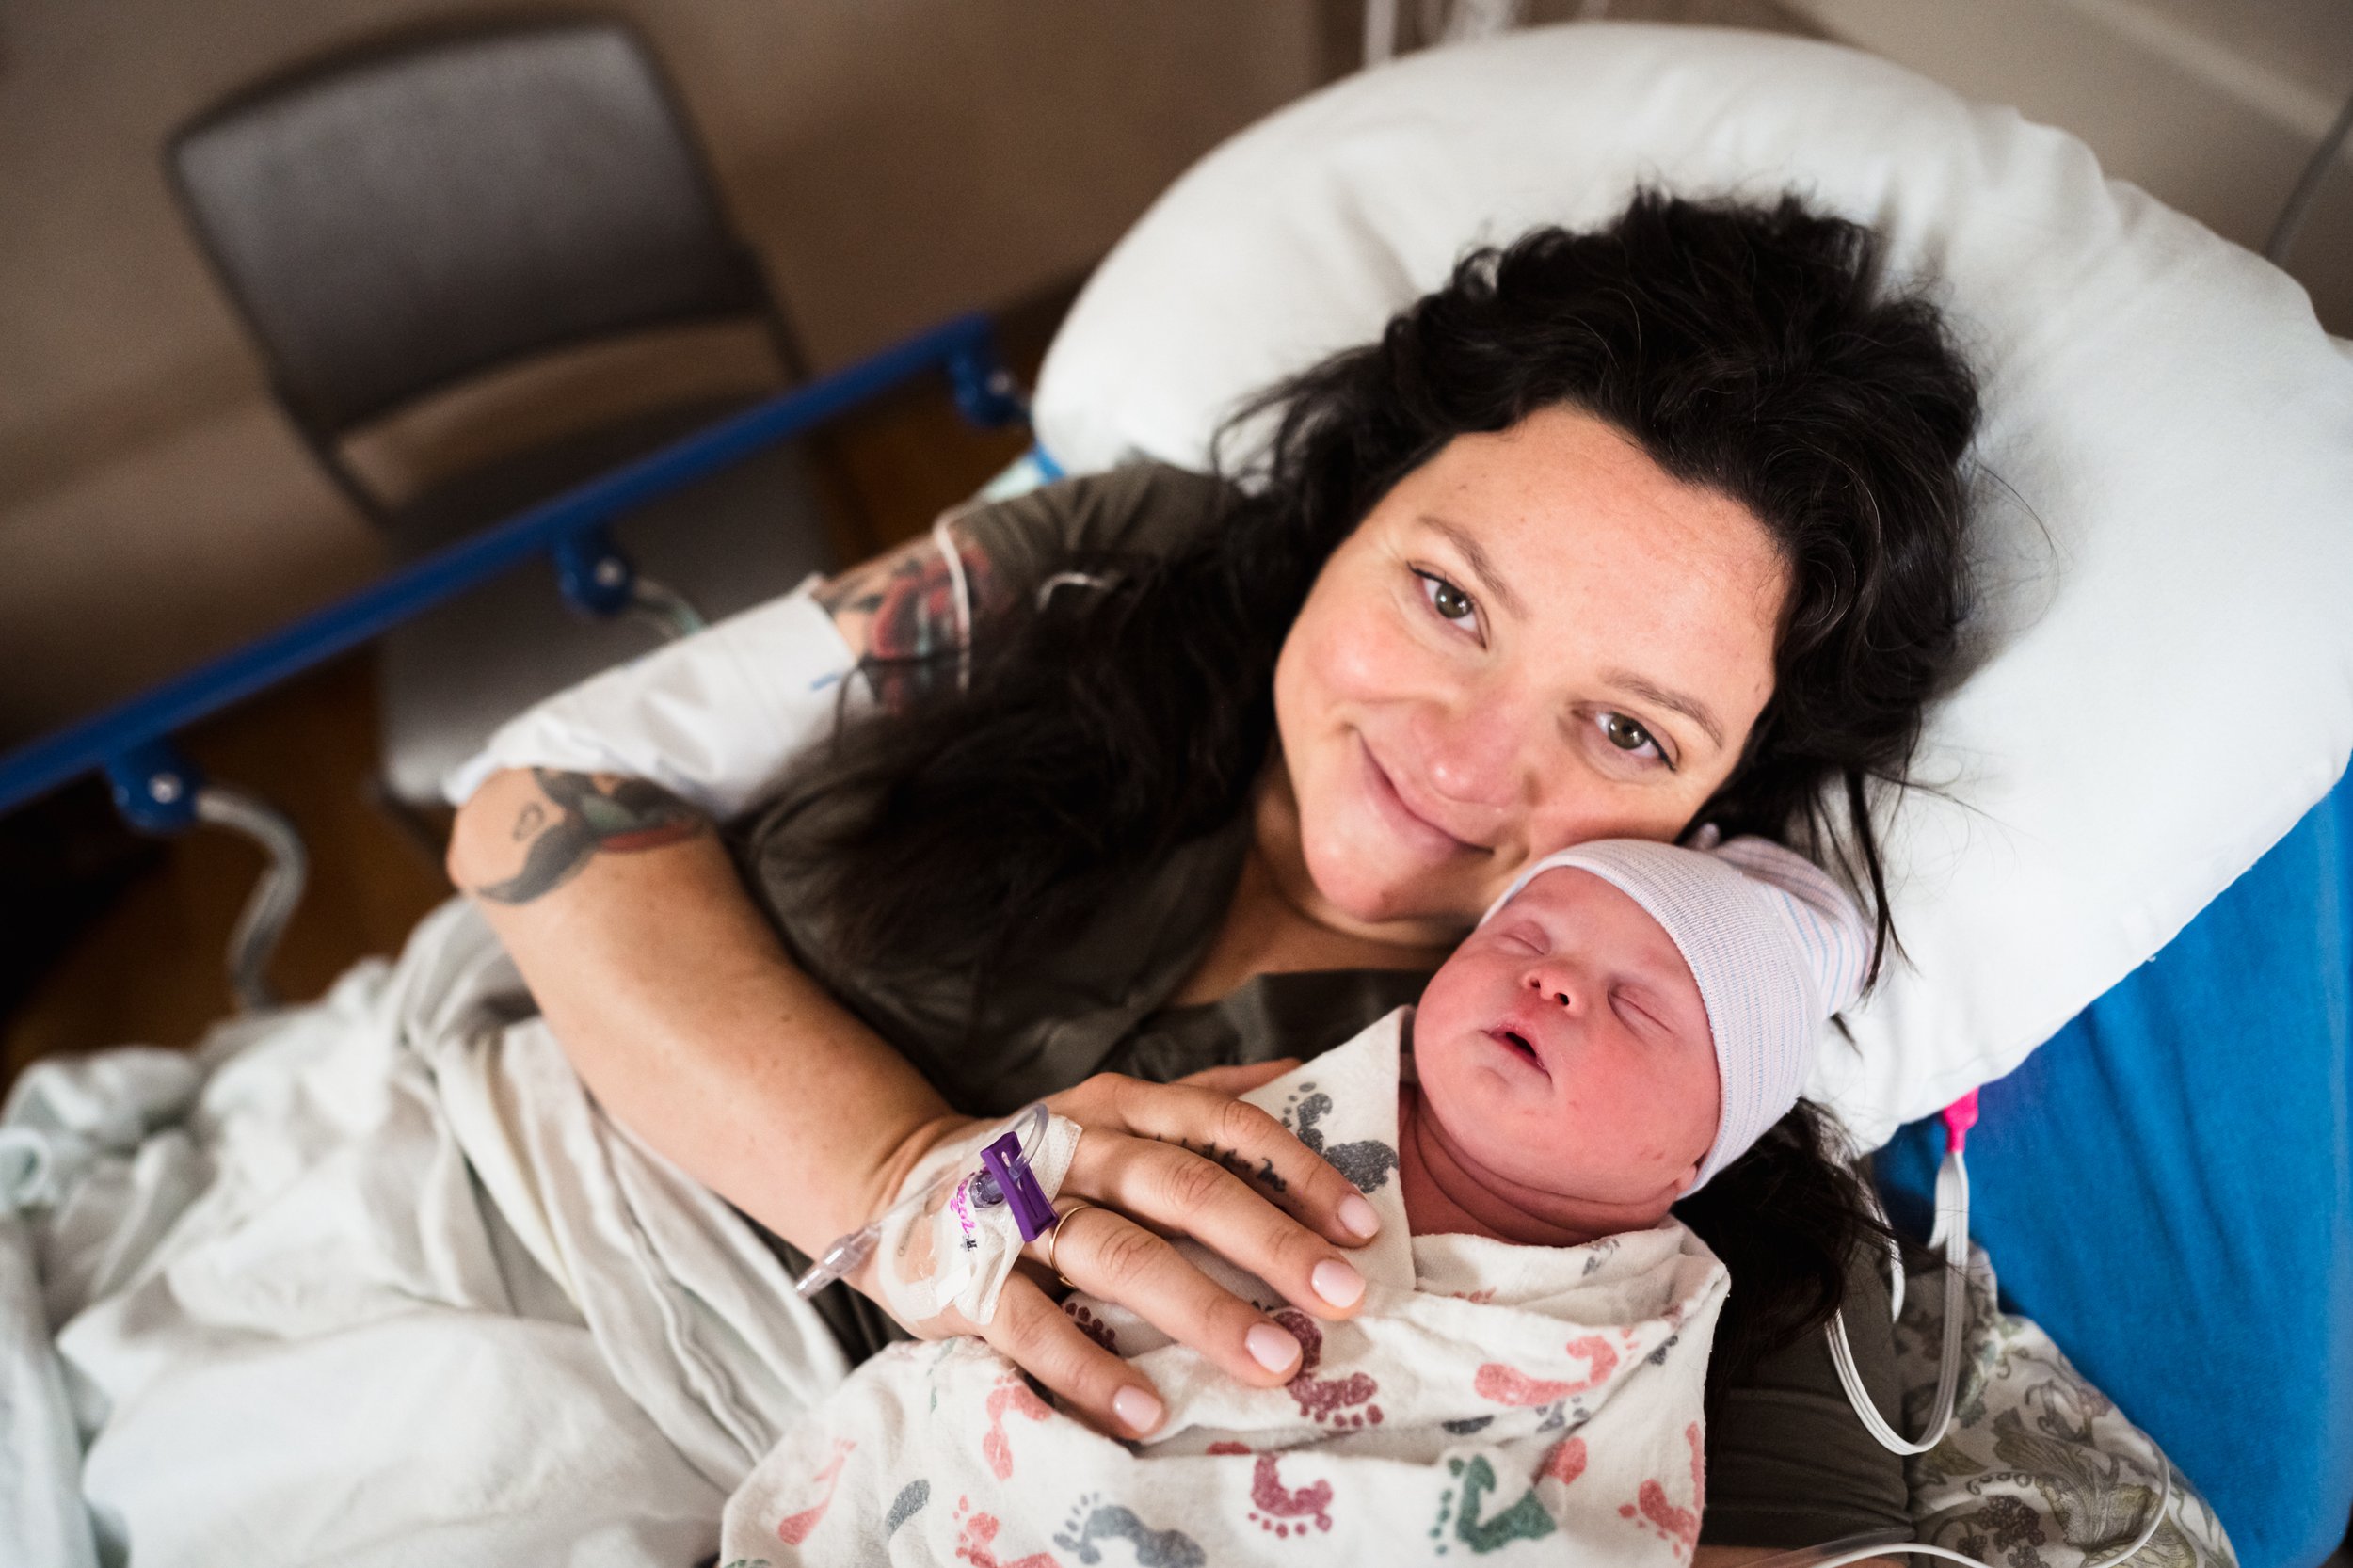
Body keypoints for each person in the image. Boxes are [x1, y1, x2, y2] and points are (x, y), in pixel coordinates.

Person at [447, 190, 1978, 1553]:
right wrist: (901, 1175)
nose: (1461, 758)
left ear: (1735, 804)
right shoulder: (1118, 563)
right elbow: (546, 799)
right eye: (1448, 596)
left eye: (1628, 733)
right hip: (431, 1158)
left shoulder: (1691, 1176)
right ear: (1361, 501)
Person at [714, 835, 1876, 1564]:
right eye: (1526, 931)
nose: (1555, 978)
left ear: (1691, 1164)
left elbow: (1618, 1527)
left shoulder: (1649, 1319)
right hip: (978, 1490)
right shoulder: (1267, 1096)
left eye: (1640, 1008)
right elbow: (1005, 1208)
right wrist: (960, 1216)